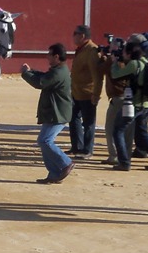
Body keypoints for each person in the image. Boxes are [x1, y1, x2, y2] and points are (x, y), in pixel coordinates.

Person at [21, 43, 74, 183]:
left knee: (45, 141)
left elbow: (41, 83)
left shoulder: (58, 72)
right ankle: (54, 173)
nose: (47, 57)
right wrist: (31, 71)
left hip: (57, 113)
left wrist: (26, 74)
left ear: (56, 57)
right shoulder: (58, 70)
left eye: (49, 54)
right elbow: (44, 76)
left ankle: (65, 163)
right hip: (54, 112)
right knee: (43, 141)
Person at [109, 38, 148, 172]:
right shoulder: (146, 61)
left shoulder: (134, 64)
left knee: (118, 130)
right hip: (147, 104)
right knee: (143, 133)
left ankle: (124, 162)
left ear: (129, 54)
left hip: (134, 104)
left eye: (124, 53)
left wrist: (115, 63)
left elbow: (115, 75)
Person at [69, 25, 104, 159]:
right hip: (76, 91)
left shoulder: (92, 51)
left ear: (82, 36)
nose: (73, 36)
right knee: (73, 119)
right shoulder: (84, 49)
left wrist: (96, 94)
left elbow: (97, 76)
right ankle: (77, 147)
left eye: (75, 34)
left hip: (87, 93)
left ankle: (87, 150)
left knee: (88, 122)